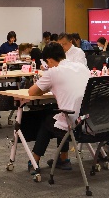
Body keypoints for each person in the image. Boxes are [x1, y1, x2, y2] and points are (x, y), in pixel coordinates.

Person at [28, 42, 91, 171]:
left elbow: (32, 92)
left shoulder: (54, 72)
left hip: (74, 124)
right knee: (59, 115)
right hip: (90, 121)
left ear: (49, 60)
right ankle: (63, 158)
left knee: (48, 120)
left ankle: (34, 160)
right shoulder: (81, 67)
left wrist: (48, 86)